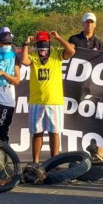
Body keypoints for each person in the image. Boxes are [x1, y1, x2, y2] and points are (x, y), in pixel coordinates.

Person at [20, 30, 76, 163]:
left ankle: (54, 162)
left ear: (49, 43)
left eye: (45, 43)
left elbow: (71, 51)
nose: (43, 46)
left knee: (54, 133)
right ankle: (35, 162)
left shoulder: (57, 54)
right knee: (37, 132)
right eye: (40, 43)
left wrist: (59, 38)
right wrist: (26, 44)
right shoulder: (33, 55)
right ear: (36, 44)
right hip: (36, 101)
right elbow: (24, 61)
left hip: (54, 101)